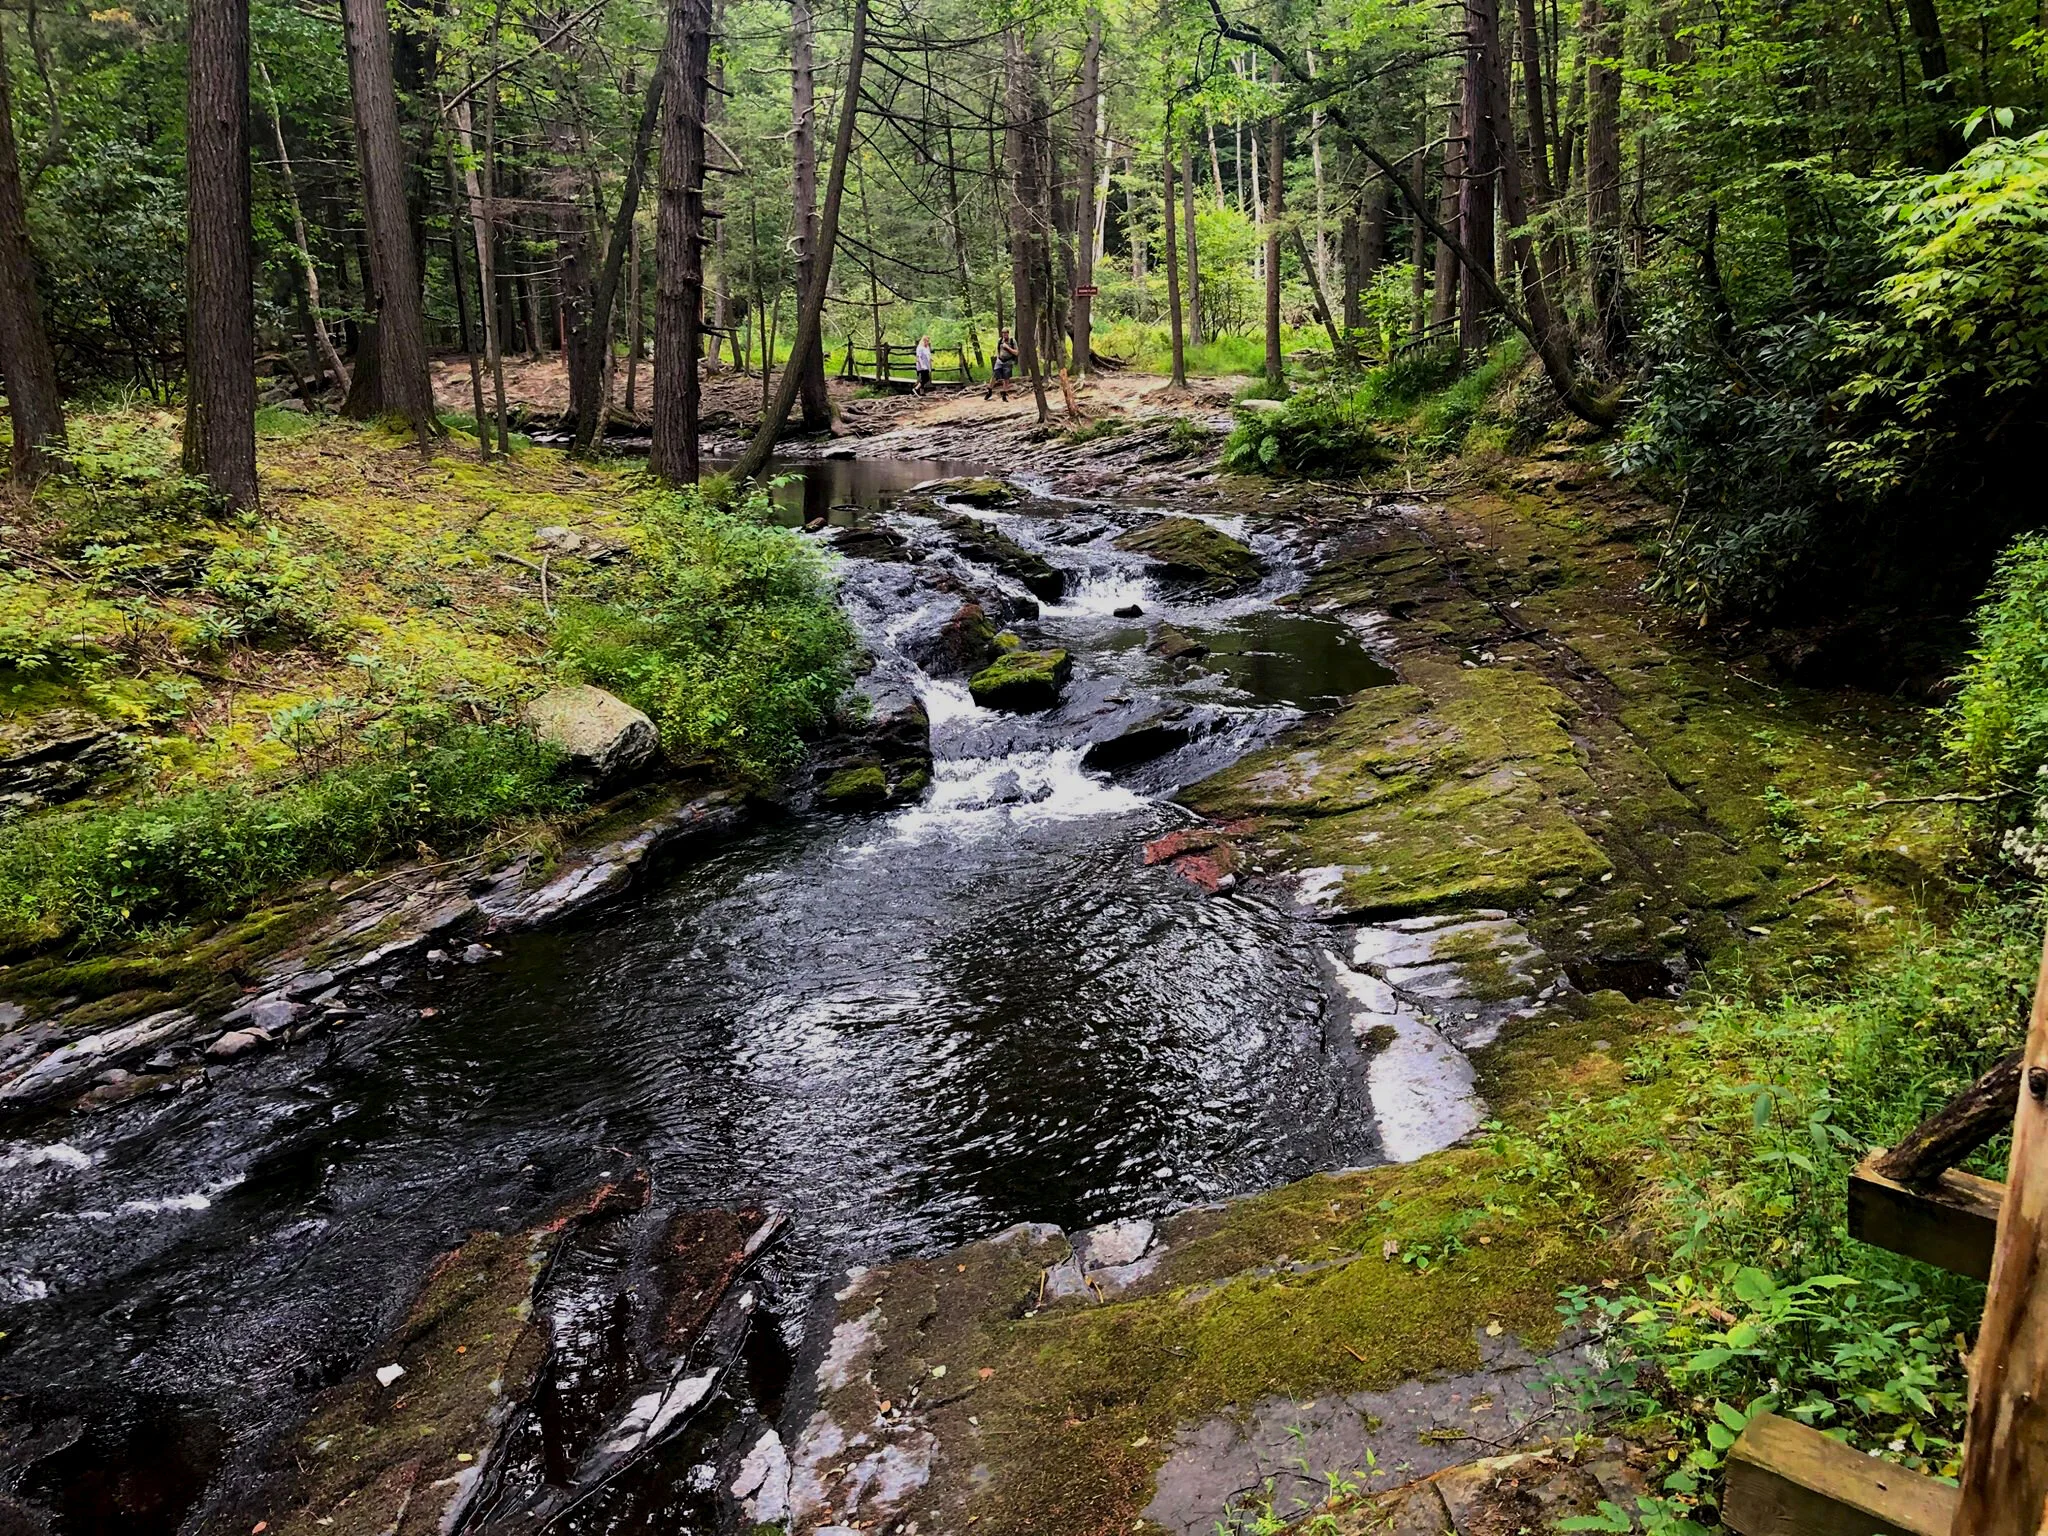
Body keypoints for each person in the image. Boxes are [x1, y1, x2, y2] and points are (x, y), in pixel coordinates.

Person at [984, 330, 1018, 401]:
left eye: (1006, 333)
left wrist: (1008, 348)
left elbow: (1016, 353)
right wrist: (998, 358)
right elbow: (998, 349)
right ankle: (989, 391)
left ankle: (1004, 394)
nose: (1005, 334)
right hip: (999, 361)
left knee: (1006, 378)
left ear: (1008, 333)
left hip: (1008, 361)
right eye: (1003, 333)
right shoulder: (1000, 340)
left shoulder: (1012, 341)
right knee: (994, 375)